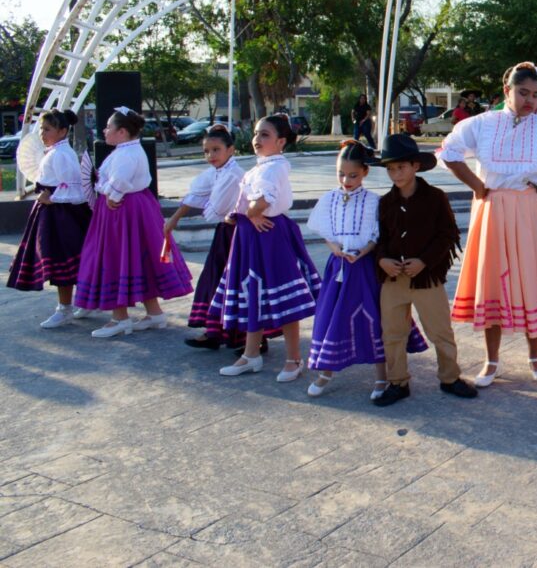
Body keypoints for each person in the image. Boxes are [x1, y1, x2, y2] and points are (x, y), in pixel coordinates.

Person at [441, 62, 537, 387]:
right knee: (492, 282)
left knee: (532, 279)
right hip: (492, 210)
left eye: (535, 95)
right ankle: (491, 360)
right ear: (507, 91)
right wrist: (476, 186)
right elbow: (450, 152)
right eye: (523, 93)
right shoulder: (481, 124)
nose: (529, 100)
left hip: (531, 212)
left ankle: (535, 355)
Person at [304, 141, 427, 400]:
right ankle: (326, 370)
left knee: (374, 317)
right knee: (332, 317)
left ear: (365, 173)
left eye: (353, 175)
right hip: (338, 267)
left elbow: (376, 236)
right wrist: (335, 247)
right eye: (341, 174)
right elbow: (326, 230)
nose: (346, 180)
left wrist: (365, 250)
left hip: (365, 269)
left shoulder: (374, 202)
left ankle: (382, 375)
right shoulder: (329, 199)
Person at [215, 115, 322, 380]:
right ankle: (251, 355)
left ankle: (294, 359)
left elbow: (262, 200)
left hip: (270, 235)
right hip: (252, 236)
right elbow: (248, 200)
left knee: (281, 295)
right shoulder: (260, 167)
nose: (257, 139)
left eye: (265, 135)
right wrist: (238, 214)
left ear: (281, 141)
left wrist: (251, 213)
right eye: (256, 133)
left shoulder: (275, 167)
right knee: (254, 292)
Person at [375, 134, 477, 404]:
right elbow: (380, 238)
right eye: (390, 168)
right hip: (393, 279)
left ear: (415, 166)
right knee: (393, 333)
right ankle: (397, 382)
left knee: (440, 331)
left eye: (401, 167)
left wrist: (425, 261)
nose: (396, 173)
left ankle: (450, 377)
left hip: (427, 278)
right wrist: (383, 259)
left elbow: (447, 235)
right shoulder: (385, 202)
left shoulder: (435, 197)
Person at [74, 107, 193, 338]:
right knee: (138, 258)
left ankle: (120, 318)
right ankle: (153, 313)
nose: (104, 130)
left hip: (122, 211)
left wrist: (110, 195)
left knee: (117, 257)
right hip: (133, 209)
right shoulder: (127, 150)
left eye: (109, 127)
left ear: (122, 132)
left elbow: (120, 182)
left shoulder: (126, 154)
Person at [163, 125, 250, 350]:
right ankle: (214, 331)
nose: (210, 155)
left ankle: (248, 339)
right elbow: (196, 194)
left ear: (231, 150)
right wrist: (174, 219)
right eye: (206, 151)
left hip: (238, 233)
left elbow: (216, 209)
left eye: (216, 150)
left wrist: (177, 218)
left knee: (235, 284)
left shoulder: (232, 174)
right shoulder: (218, 171)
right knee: (214, 279)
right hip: (226, 231)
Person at [9, 110, 93, 328]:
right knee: (67, 261)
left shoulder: (62, 155)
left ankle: (66, 308)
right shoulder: (55, 152)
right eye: (41, 129)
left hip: (63, 215)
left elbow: (76, 191)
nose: (42, 133)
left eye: (47, 129)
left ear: (63, 131)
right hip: (54, 212)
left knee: (64, 260)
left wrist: (52, 198)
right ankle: (78, 304)